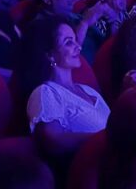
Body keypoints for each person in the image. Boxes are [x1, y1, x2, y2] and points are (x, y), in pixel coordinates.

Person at [18, 16, 110, 158]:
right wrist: (106, 138)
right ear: (50, 55)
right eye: (68, 43)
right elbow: (53, 141)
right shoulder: (47, 92)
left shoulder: (88, 90)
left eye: (75, 40)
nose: (78, 47)